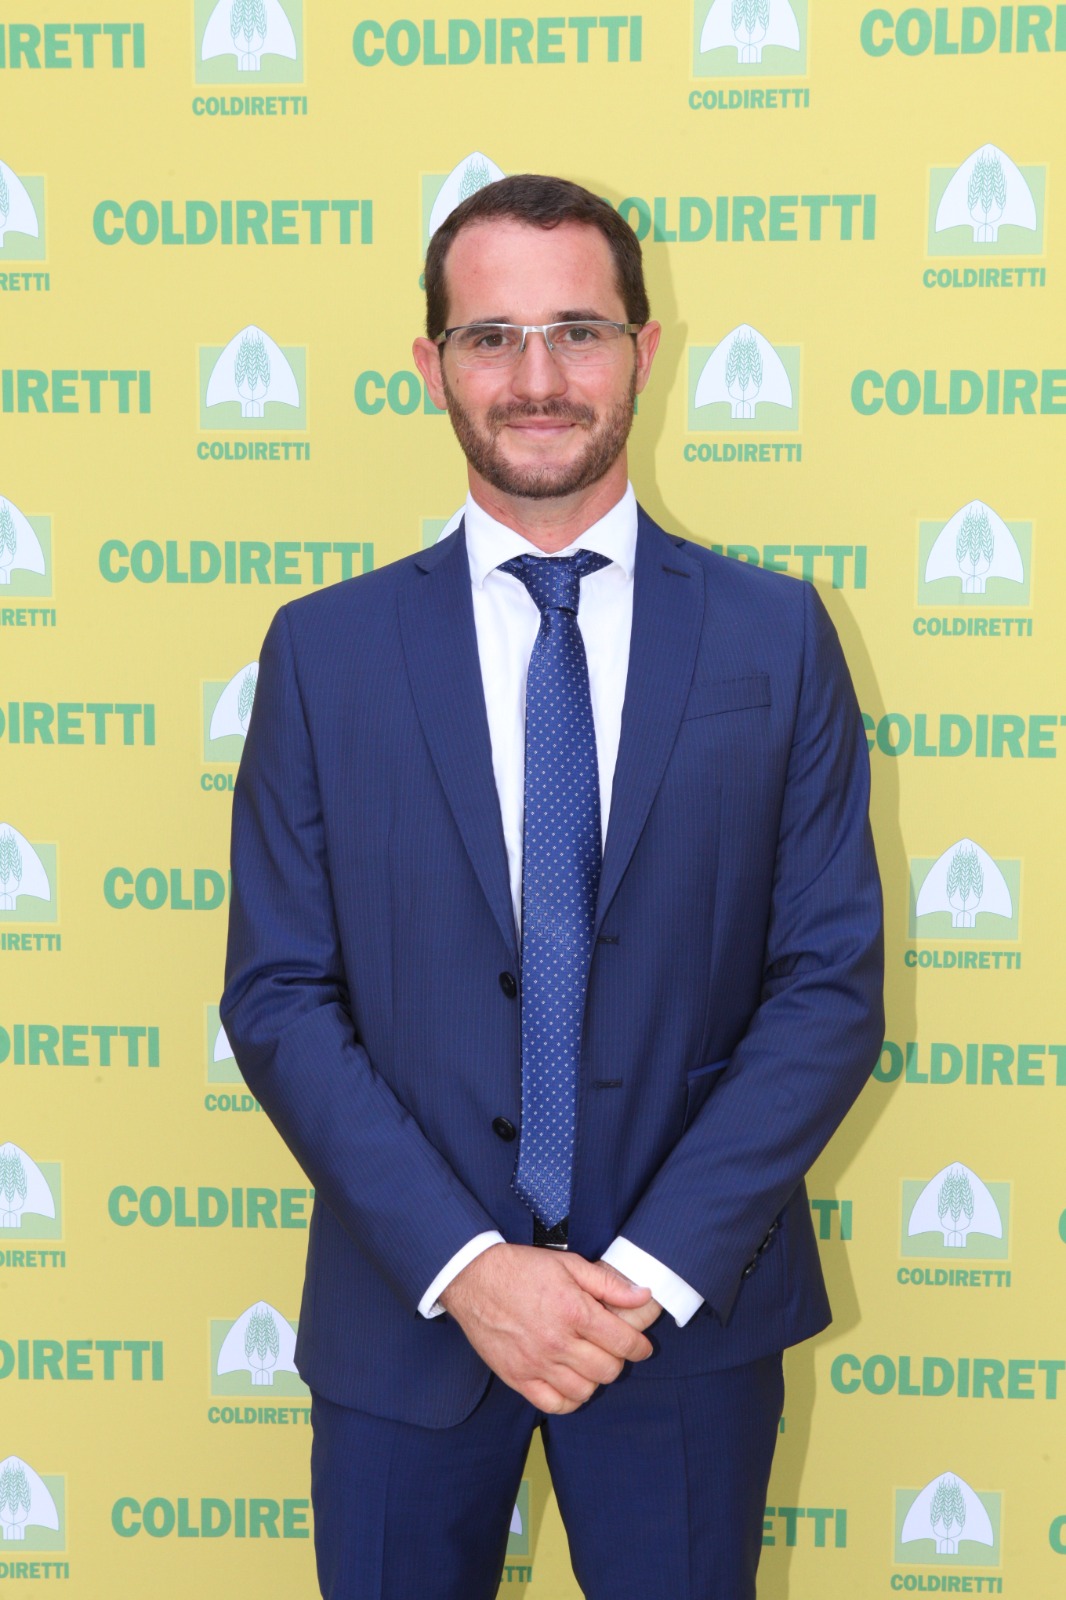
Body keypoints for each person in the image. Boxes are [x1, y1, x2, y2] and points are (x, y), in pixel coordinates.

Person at [221, 173, 884, 1600]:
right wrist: (470, 1266)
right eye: (491, 338)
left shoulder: (776, 638)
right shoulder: (323, 654)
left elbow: (826, 987)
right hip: (407, 1318)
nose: (537, 379)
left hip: (684, 1325)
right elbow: (277, 997)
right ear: (431, 365)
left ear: (645, 350)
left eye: (577, 331)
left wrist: (646, 1273)